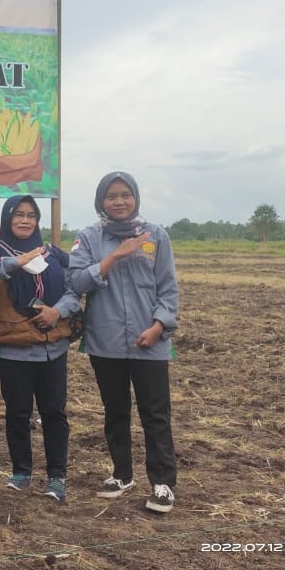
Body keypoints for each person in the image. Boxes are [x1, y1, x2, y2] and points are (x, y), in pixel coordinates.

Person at [68, 171, 180, 514]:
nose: (119, 202)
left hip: (150, 342)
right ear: (101, 201)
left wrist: (159, 325)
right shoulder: (88, 237)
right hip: (105, 341)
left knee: (155, 414)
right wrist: (114, 256)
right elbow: (75, 282)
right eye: (111, 196)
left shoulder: (156, 235)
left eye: (125, 195)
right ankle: (122, 474)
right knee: (115, 411)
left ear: (136, 198)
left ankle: (162, 483)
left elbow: (168, 287)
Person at [0, 195, 80, 501]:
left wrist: (58, 311)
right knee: (17, 412)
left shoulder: (52, 253)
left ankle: (57, 476)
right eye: (19, 215)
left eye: (31, 215)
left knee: (54, 411)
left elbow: (74, 288)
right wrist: (14, 263)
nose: (25, 221)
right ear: (7, 219)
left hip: (53, 346)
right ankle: (22, 471)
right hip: (13, 348)